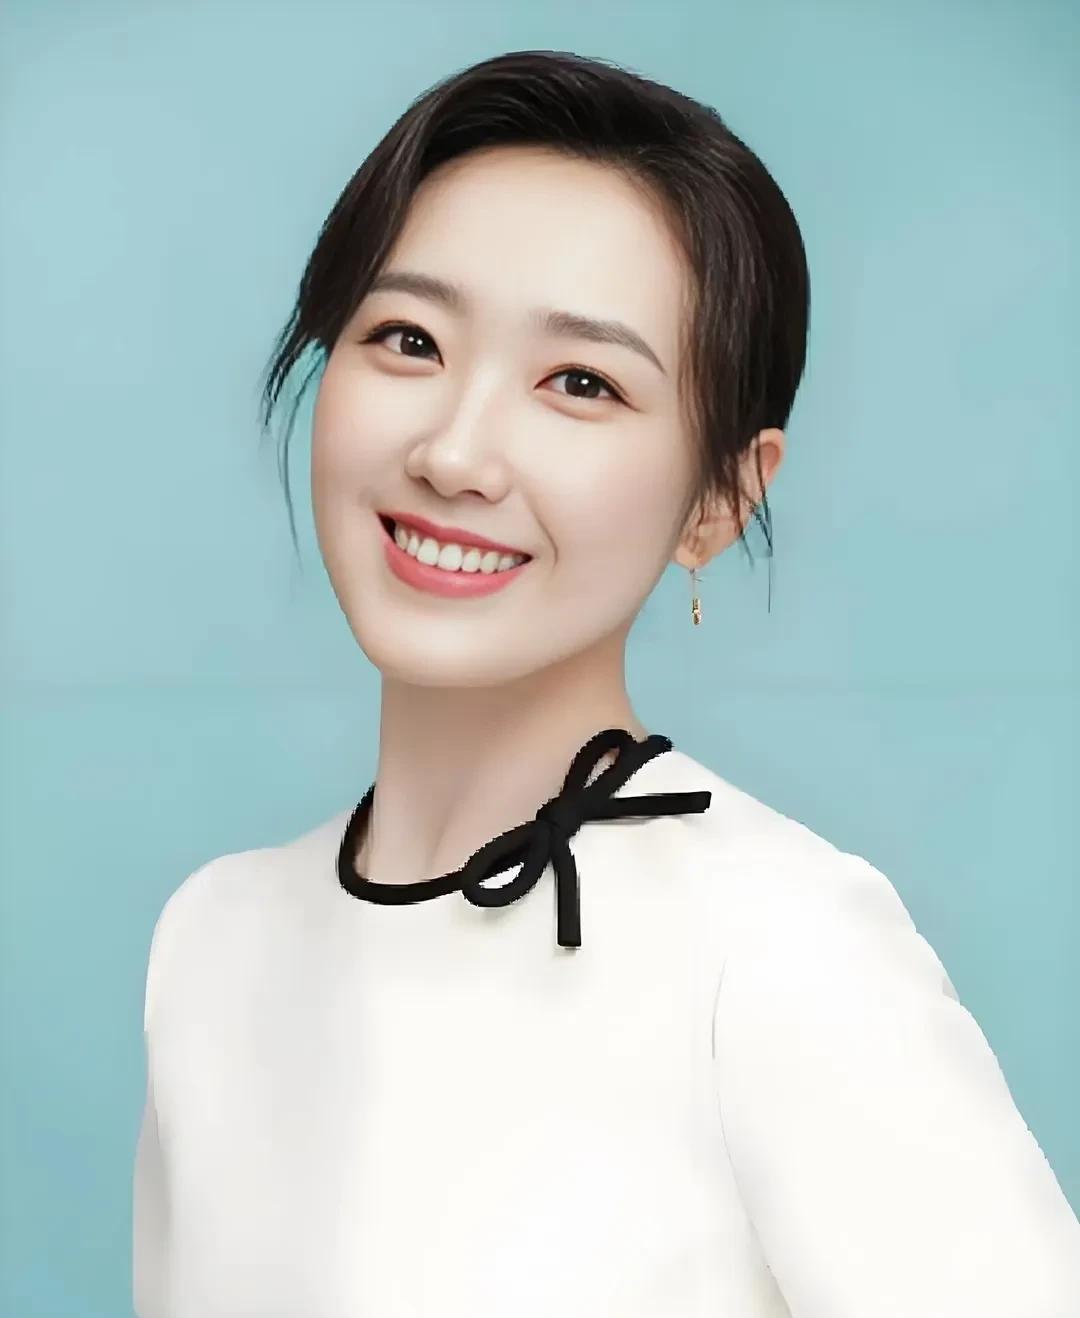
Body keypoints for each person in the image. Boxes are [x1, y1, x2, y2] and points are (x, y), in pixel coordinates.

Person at [132, 48, 1080, 1317]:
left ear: (720, 500)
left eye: (580, 382)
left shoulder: (778, 946)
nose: (456, 453)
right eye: (408, 338)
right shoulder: (213, 940)